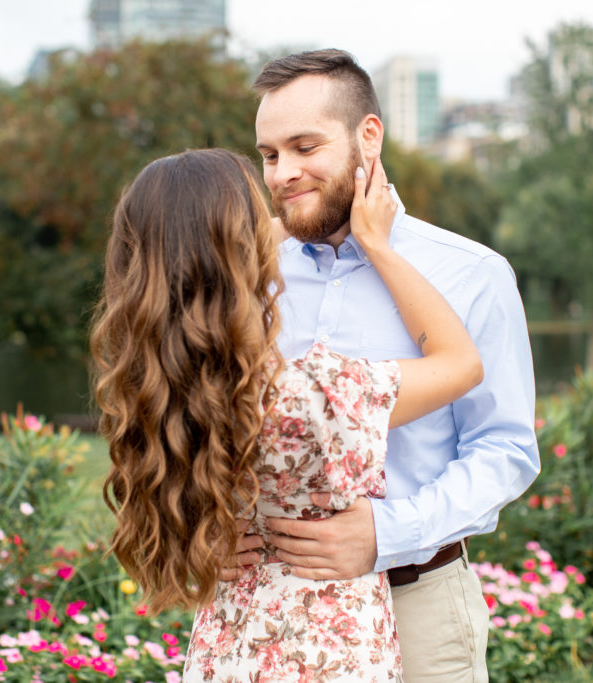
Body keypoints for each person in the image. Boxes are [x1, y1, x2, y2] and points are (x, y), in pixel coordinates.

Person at [91, 147, 483, 681]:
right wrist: (376, 243)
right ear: (242, 251)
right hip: (325, 654)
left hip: (224, 649)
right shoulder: (310, 397)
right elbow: (459, 363)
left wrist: (231, 237)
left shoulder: (156, 393)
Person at [235, 49, 541, 681]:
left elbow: (505, 450)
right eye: (269, 155)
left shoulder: (471, 274)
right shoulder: (248, 275)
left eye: (304, 147)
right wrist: (209, 525)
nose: (283, 173)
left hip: (417, 608)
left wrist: (387, 532)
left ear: (368, 137)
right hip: (267, 609)